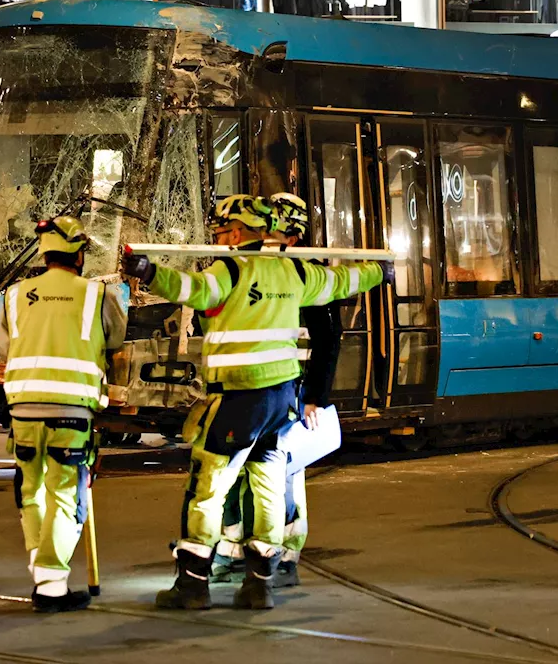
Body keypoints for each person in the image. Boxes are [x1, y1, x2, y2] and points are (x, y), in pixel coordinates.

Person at [122, 194, 389, 610]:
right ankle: (259, 583)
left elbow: (191, 289)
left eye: (222, 230)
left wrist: (148, 272)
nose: (219, 237)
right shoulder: (292, 271)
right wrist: (379, 271)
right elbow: (341, 283)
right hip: (281, 398)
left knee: (207, 485)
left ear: (236, 231)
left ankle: (192, 585)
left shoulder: (229, 268)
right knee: (267, 482)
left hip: (238, 396)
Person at [0, 215, 126, 613]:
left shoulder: (15, 295)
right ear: (78, 254)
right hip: (71, 412)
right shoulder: (96, 295)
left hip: (22, 409)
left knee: (30, 487)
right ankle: (52, 584)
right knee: (65, 493)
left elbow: (5, 349)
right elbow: (116, 339)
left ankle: (41, 566)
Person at [214, 192, 320, 588]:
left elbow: (327, 338)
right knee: (250, 474)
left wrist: (314, 396)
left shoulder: (302, 271)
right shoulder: (269, 268)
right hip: (267, 386)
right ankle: (238, 548)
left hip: (292, 390)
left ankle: (285, 554)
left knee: (284, 475)